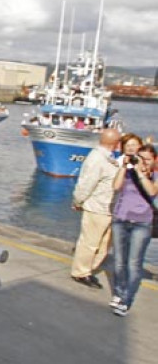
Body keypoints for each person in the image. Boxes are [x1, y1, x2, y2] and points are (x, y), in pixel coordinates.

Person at [69, 128, 121, 290]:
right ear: (114, 143)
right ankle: (81, 272)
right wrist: (78, 201)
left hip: (108, 207)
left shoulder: (107, 158)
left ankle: (89, 268)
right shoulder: (97, 159)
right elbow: (86, 184)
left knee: (104, 243)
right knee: (90, 242)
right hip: (97, 207)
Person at [109, 140, 156, 316]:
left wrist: (140, 172)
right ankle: (119, 292)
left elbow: (152, 192)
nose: (144, 162)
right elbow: (115, 186)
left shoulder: (155, 175)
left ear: (154, 160)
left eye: (148, 159)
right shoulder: (129, 172)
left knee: (133, 263)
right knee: (119, 261)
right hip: (121, 220)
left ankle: (126, 299)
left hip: (142, 223)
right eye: (140, 158)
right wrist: (124, 166)